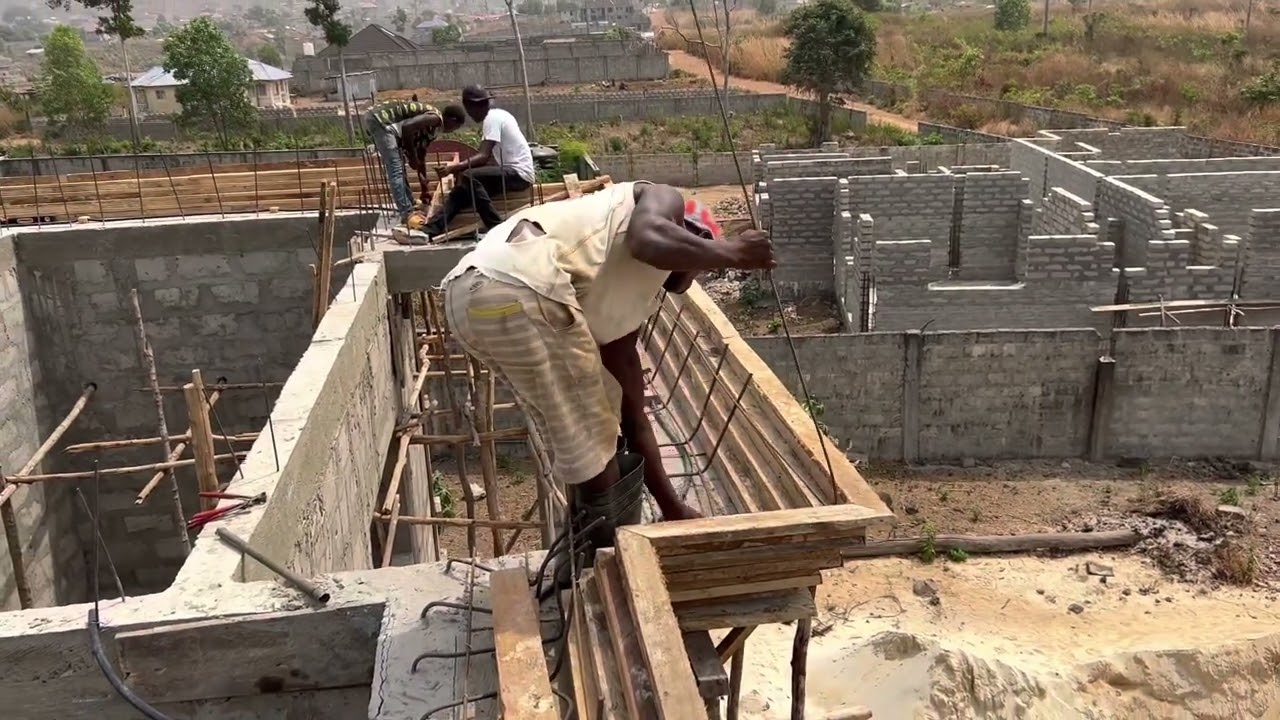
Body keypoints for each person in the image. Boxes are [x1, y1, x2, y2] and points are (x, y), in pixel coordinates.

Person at [440, 182, 776, 552]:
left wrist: (672, 508)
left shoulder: (615, 300)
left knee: (584, 435)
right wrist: (732, 252)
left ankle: (592, 553)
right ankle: (606, 560)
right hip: (517, 286)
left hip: (468, 299)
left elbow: (633, 419)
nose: (694, 269)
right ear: (685, 230)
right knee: (594, 444)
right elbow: (648, 238)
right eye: (697, 250)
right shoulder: (659, 198)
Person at [422, 85, 536, 238]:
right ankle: (431, 229)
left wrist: (454, 168)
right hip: (512, 173)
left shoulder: (492, 119)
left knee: (469, 175)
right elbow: (486, 159)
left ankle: (496, 228)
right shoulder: (498, 115)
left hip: (519, 174)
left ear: (472, 106)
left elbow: (483, 156)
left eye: (469, 110)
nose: (470, 115)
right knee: (462, 191)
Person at [363, 98, 465, 224]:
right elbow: (407, 127)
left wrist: (424, 189)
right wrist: (412, 157)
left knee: (400, 168)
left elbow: (421, 155)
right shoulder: (435, 118)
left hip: (382, 121)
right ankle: (407, 213)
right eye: (456, 127)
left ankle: (410, 203)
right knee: (396, 169)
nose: (453, 130)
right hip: (381, 120)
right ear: (453, 120)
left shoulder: (432, 130)